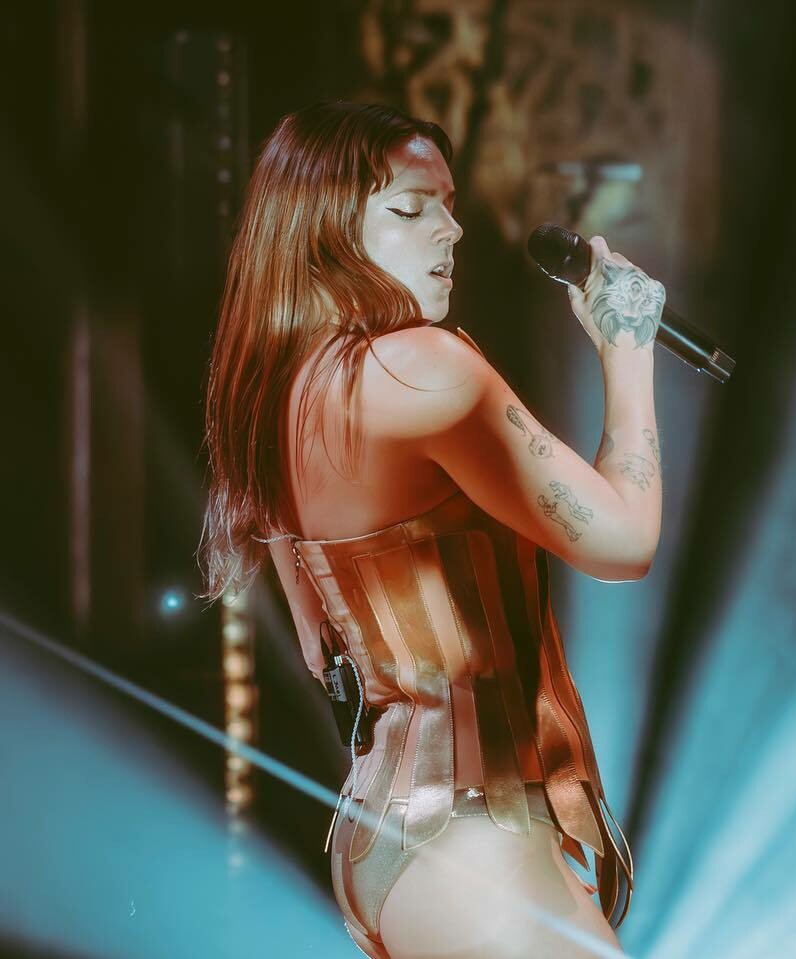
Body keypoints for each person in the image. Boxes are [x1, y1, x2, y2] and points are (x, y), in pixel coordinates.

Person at [197, 100, 663, 959]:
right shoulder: (426, 370)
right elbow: (624, 541)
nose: (451, 230)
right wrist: (627, 350)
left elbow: (320, 648)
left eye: (446, 206)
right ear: (325, 229)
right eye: (410, 210)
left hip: (386, 826)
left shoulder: (275, 393)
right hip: (470, 835)